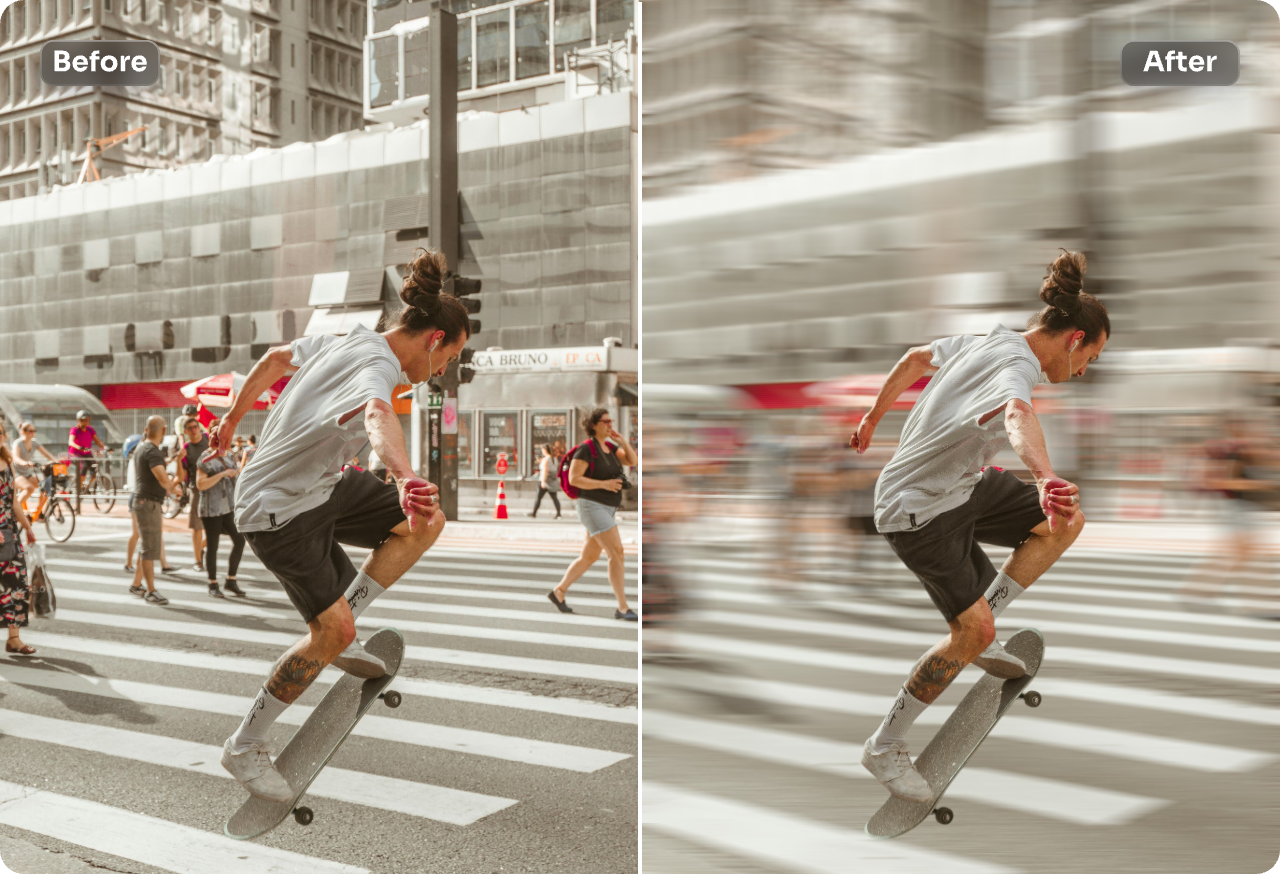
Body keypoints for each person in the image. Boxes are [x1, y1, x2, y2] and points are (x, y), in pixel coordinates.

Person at [852, 249, 1107, 802]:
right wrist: (1042, 475)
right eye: (1091, 358)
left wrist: (875, 416)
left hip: (963, 486)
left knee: (1064, 521)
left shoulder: (989, 338)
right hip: (915, 509)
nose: (1085, 372)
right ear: (1074, 339)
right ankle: (884, 745)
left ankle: (981, 618)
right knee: (973, 635)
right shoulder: (1016, 367)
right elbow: (1017, 414)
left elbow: (915, 358)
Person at [213, 247, 467, 802]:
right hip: (276, 509)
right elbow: (378, 414)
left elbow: (278, 358)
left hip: (321, 488)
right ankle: (244, 745)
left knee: (425, 521)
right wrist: (402, 476)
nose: (442, 372)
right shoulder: (377, 365)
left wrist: (234, 417)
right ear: (433, 340)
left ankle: (341, 620)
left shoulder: (350, 337)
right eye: (449, 359)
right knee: (332, 635)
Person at [548, 409, 639, 620]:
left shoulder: (609, 447)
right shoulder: (586, 450)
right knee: (617, 552)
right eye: (605, 421)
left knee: (589, 557)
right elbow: (574, 479)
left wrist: (623, 441)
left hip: (607, 507)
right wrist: (604, 484)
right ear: (593, 425)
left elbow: (631, 460)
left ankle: (558, 592)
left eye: (611, 421)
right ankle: (622, 607)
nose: (609, 424)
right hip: (591, 506)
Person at [130, 417, 181, 605]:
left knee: (147, 545)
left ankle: (136, 584)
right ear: (164, 430)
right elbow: (160, 475)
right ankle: (150, 590)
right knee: (149, 548)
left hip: (144, 501)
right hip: (148, 502)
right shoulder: (152, 451)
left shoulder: (142, 447)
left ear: (146, 429)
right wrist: (174, 489)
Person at [0, 433, 39, 655]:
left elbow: (14, 500)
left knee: (17, 584)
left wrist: (28, 527)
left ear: (4, 436)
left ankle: (14, 639)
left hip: (9, 532)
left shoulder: (7, 461)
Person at [196, 444, 247, 599]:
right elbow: (200, 484)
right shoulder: (205, 458)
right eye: (216, 436)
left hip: (228, 507)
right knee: (213, 545)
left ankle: (231, 580)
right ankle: (213, 584)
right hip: (211, 508)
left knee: (239, 540)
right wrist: (223, 474)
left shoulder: (230, 456)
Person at [179, 418, 210, 572]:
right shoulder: (186, 449)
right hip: (196, 490)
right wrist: (178, 460)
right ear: (185, 432)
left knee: (219, 527)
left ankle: (201, 549)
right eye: (190, 428)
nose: (193, 430)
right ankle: (198, 560)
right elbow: (181, 476)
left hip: (214, 487)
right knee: (197, 527)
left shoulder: (208, 439)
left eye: (195, 427)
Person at [11, 423, 56, 512]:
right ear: (23, 432)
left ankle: (38, 512)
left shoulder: (34, 442)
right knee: (29, 488)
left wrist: (56, 461)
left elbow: (46, 454)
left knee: (45, 487)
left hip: (26, 473)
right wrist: (25, 463)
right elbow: (15, 457)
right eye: (30, 431)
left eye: (34, 431)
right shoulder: (18, 443)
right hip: (16, 473)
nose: (32, 433)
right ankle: (14, 511)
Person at [68, 410, 109, 487]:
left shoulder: (90, 429)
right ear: (79, 420)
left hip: (86, 453)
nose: (87, 422)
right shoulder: (75, 430)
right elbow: (70, 442)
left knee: (95, 469)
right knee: (84, 466)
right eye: (85, 420)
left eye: (88, 420)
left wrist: (105, 447)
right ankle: (79, 489)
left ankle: (86, 487)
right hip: (75, 454)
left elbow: (97, 441)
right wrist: (79, 447)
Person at [529, 443, 562, 519]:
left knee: (538, 497)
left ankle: (534, 513)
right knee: (554, 497)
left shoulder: (546, 459)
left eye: (542, 450)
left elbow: (545, 471)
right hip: (552, 481)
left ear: (545, 450)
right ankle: (559, 514)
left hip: (545, 481)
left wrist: (543, 482)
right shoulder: (554, 459)